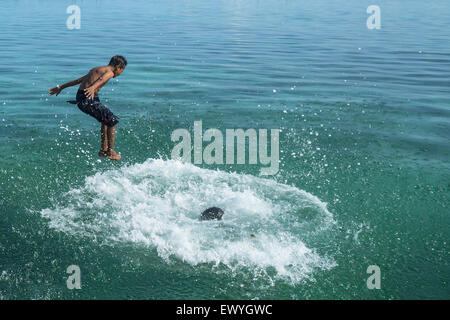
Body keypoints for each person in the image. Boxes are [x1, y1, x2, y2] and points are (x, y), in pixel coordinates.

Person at [48, 55, 127, 160]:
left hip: (83, 97)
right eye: (122, 70)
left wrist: (61, 87)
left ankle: (103, 150)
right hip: (87, 98)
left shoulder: (96, 69)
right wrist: (93, 87)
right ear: (118, 67)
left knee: (105, 120)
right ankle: (110, 152)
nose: (120, 73)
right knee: (112, 120)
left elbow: (78, 80)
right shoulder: (110, 72)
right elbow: (102, 79)